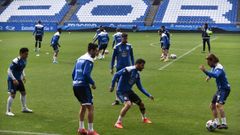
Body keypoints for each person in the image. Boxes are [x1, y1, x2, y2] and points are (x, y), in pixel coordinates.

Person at [110, 59, 154, 129]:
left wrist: (149, 95)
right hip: (121, 91)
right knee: (128, 104)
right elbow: (116, 74)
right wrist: (112, 86)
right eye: (142, 65)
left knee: (141, 104)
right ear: (138, 64)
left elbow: (140, 87)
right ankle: (118, 122)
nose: (143, 67)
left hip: (129, 92)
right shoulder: (128, 69)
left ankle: (144, 118)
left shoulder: (137, 75)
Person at [72, 43, 99, 135]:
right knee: (90, 108)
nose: (97, 52)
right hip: (83, 86)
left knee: (83, 106)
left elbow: (73, 73)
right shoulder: (89, 60)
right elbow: (86, 74)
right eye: (96, 50)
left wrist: (76, 82)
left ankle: (81, 128)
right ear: (91, 50)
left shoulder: (79, 58)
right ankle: (91, 130)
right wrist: (93, 83)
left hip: (75, 85)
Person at [199, 54, 230, 129]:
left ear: (212, 60)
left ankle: (224, 123)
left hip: (224, 89)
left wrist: (205, 71)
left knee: (218, 105)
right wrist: (209, 76)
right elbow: (212, 71)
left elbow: (216, 75)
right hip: (220, 89)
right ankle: (217, 123)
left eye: (208, 62)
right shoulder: (214, 66)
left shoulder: (219, 67)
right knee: (212, 105)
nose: (208, 64)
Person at [6, 47, 33, 116]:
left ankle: (24, 108)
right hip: (12, 79)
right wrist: (14, 79)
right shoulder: (16, 61)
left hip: (19, 79)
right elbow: (9, 70)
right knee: (13, 95)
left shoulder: (24, 60)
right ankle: (8, 111)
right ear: (21, 53)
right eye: (25, 54)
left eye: (27, 54)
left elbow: (21, 69)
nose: (27, 55)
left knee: (23, 93)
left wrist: (23, 75)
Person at [110, 33, 134, 105]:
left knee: (129, 83)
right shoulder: (117, 47)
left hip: (128, 68)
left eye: (126, 38)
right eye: (124, 38)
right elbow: (113, 58)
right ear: (121, 38)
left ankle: (130, 99)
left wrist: (133, 66)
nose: (125, 39)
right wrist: (111, 67)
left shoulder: (129, 46)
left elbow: (132, 57)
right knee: (118, 83)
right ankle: (117, 100)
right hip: (119, 67)